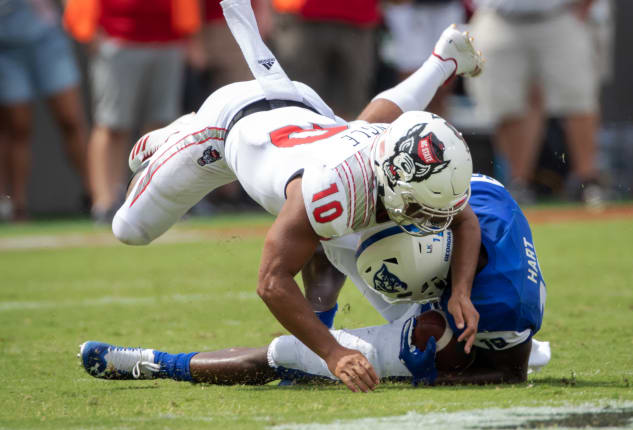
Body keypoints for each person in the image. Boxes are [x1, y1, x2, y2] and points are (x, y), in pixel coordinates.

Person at [110, 0, 485, 392]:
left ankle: (443, 60)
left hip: (305, 108)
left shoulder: (391, 150)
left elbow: (463, 218)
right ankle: (174, 136)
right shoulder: (328, 191)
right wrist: (333, 353)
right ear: (395, 179)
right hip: (225, 129)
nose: (428, 222)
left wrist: (461, 291)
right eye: (420, 208)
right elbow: (271, 282)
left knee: (359, 253)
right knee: (130, 229)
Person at [79, 174, 550, 386]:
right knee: (332, 228)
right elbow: (464, 213)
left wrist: (428, 376)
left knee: (287, 354)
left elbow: (511, 372)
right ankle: (321, 322)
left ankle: (157, 363)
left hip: (460, 325)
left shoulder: (504, 305)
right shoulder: (468, 192)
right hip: (461, 273)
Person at [63, 0, 203, 223]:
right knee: (112, 124)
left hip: (168, 38)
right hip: (117, 36)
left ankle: (158, 200)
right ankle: (104, 203)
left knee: (163, 126)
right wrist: (88, 29)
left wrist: (190, 34)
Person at [466, 0, 604, 208]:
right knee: (508, 106)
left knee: (579, 100)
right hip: (498, 14)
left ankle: (589, 182)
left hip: (560, 13)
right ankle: (519, 183)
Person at [0, 0, 89, 221]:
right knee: (17, 127)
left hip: (49, 40)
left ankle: (95, 197)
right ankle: (16, 206)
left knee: (70, 119)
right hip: (6, 46)